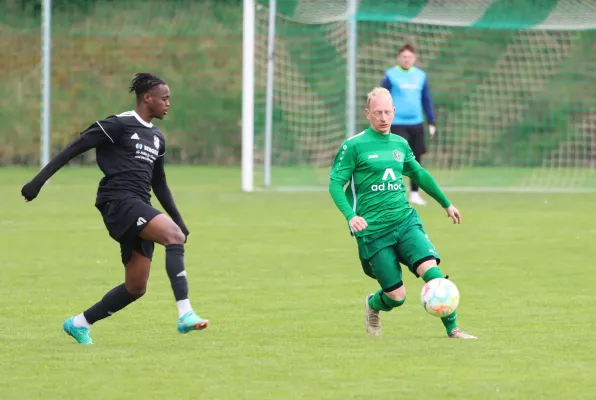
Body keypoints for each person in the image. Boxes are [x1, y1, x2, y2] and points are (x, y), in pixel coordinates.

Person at [21, 73, 209, 344]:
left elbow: (160, 183)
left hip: (139, 205)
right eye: (164, 98)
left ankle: (78, 323)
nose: (168, 104)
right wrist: (37, 182)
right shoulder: (118, 124)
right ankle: (185, 314)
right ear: (148, 98)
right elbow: (74, 149)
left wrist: (179, 219)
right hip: (118, 202)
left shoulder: (157, 138)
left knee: (135, 288)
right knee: (173, 237)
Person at [328, 87, 475, 339]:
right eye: (377, 113)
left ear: (394, 112)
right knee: (397, 297)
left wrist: (446, 203)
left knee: (434, 274)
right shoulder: (354, 146)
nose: (383, 118)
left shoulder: (400, 143)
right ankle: (373, 305)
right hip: (373, 231)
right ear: (367, 114)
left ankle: (454, 330)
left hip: (405, 222)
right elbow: (335, 184)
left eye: (387, 112)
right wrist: (350, 216)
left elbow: (418, 174)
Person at [380, 43, 436, 206]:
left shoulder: (420, 76)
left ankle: (414, 194)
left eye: (409, 57)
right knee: (396, 157)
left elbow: (426, 99)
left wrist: (431, 121)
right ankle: (392, 192)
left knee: (416, 159)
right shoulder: (391, 75)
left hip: (416, 123)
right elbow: (382, 95)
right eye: (404, 57)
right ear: (399, 58)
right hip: (397, 123)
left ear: (414, 58)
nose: (406, 59)